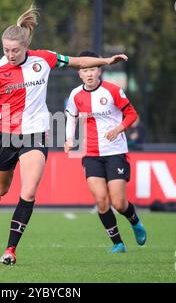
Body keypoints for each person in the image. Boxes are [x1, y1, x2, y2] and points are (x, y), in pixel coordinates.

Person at [0, 5, 128, 265]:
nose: (10, 55)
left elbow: (77, 62)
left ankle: (10, 249)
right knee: (3, 185)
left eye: (15, 50)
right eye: (6, 50)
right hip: (3, 136)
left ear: (25, 46)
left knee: (29, 192)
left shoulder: (43, 59)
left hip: (36, 134)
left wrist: (105, 61)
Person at [64, 51, 147, 254]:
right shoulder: (75, 95)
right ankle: (118, 243)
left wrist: (118, 129)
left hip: (115, 151)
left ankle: (135, 221)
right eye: (85, 70)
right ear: (79, 73)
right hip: (91, 153)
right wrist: (68, 139)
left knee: (118, 203)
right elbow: (71, 117)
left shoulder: (113, 91)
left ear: (99, 70)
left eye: (93, 69)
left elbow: (131, 114)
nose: (89, 73)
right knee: (101, 200)